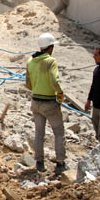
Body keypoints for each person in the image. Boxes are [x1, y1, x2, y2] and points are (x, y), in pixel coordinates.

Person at [25, 32, 66, 175]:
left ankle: (39, 163)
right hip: (49, 102)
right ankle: (60, 163)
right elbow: (55, 81)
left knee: (39, 133)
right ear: (50, 47)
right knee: (59, 133)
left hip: (35, 101)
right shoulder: (50, 61)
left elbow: (28, 84)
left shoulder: (31, 61)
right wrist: (60, 93)